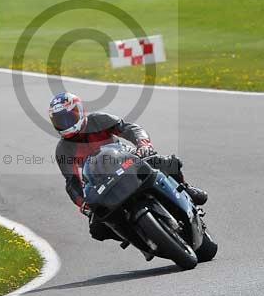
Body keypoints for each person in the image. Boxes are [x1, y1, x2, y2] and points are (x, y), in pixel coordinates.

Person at [49, 92, 208, 242]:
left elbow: (129, 128)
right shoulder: (62, 150)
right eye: (60, 121)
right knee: (97, 229)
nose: (65, 123)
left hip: (125, 159)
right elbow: (71, 182)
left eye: (69, 117)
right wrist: (83, 203)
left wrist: (143, 145)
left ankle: (185, 188)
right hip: (100, 182)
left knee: (166, 162)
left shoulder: (99, 119)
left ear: (80, 110)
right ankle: (136, 236)